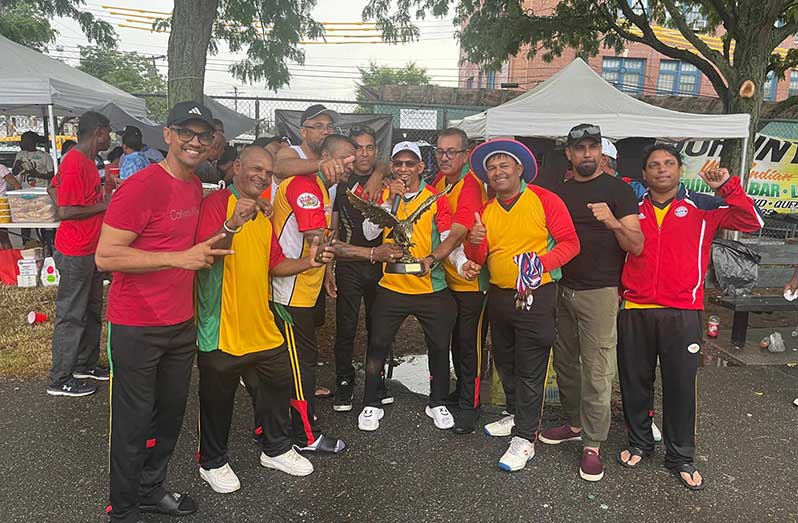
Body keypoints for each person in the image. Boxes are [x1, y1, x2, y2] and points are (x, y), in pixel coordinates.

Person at [96, 101, 227, 523]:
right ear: (167, 135)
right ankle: (124, 508)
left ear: (212, 144)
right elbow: (106, 256)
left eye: (202, 135)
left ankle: (151, 490)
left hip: (179, 323)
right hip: (136, 325)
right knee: (133, 424)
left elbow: (196, 248)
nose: (194, 141)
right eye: (185, 132)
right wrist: (177, 258)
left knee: (168, 418)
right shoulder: (141, 186)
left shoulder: (192, 185)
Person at [616, 144, 763, 491]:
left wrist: (726, 188)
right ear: (644, 174)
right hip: (636, 308)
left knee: (680, 386)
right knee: (635, 383)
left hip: (684, 311)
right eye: (654, 165)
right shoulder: (630, 209)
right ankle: (639, 443)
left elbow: (751, 221)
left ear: (680, 169)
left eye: (669, 163)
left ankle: (680, 456)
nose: (661, 169)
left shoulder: (704, 205)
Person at [195, 146, 335, 493]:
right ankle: (212, 462)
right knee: (217, 398)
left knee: (278, 383)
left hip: (261, 323)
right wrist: (231, 223)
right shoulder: (216, 204)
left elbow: (275, 263)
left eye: (268, 173)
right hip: (222, 325)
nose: (262, 176)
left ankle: (276, 448)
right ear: (237, 167)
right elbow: (206, 255)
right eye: (255, 169)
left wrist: (310, 262)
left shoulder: (262, 214)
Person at [464, 139, 579, 472]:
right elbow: (479, 258)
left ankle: (525, 439)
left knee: (530, 366)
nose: (498, 172)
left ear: (519, 169)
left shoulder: (544, 200)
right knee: (504, 359)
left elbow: (571, 243)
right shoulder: (486, 209)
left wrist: (539, 265)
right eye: (491, 167)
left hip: (536, 293)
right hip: (499, 295)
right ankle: (515, 414)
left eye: (504, 165)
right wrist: (473, 246)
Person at [538, 124, 643, 481]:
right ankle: (574, 423)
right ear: (569, 154)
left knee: (597, 369)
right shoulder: (559, 193)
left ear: (602, 152)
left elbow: (637, 245)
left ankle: (593, 444)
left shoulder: (619, 191)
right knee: (566, 365)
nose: (586, 154)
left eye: (592, 147)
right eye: (579, 148)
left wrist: (612, 221)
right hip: (562, 288)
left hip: (600, 292)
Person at [358, 141, 465, 432]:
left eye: (410, 164)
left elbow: (447, 236)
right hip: (391, 285)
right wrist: (387, 202)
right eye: (398, 164)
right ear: (392, 167)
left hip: (430, 286)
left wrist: (462, 262)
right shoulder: (384, 194)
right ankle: (371, 401)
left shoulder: (435, 198)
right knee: (378, 344)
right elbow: (369, 233)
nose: (403, 169)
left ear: (420, 167)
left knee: (440, 347)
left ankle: (438, 401)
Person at [270, 133, 351, 454]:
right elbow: (320, 238)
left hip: (303, 292)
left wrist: (327, 272)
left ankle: (272, 426)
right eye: (345, 157)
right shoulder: (304, 185)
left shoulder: (320, 186)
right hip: (289, 295)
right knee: (299, 365)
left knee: (299, 362)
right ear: (327, 157)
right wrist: (373, 254)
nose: (352, 162)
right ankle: (304, 437)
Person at [324, 125, 403, 412]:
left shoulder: (386, 176)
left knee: (378, 326)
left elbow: (392, 166)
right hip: (349, 263)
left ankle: (376, 380)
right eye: (358, 148)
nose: (364, 153)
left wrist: (381, 174)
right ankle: (344, 381)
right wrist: (329, 267)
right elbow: (331, 226)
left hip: (381, 265)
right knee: (346, 327)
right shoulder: (339, 180)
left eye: (370, 147)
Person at [46, 111, 113, 397]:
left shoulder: (87, 161)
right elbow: (65, 211)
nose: (110, 138)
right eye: (108, 132)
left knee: (91, 310)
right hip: (75, 251)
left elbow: (52, 187)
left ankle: (85, 363)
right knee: (71, 315)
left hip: (90, 249)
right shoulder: (75, 162)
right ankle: (60, 378)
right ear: (98, 132)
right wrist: (106, 205)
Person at [428, 127, 489, 434]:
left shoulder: (470, 184)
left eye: (452, 152)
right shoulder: (441, 181)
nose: (445, 157)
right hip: (448, 280)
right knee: (454, 340)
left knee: (470, 344)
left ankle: (471, 404)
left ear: (466, 154)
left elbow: (459, 230)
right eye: (440, 151)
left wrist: (434, 257)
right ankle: (461, 391)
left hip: (471, 281)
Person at [0, 163, 21, 249]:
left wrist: (15, 205)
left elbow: (17, 186)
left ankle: (8, 259)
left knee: (3, 237)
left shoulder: (1, 168)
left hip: (1, 206)